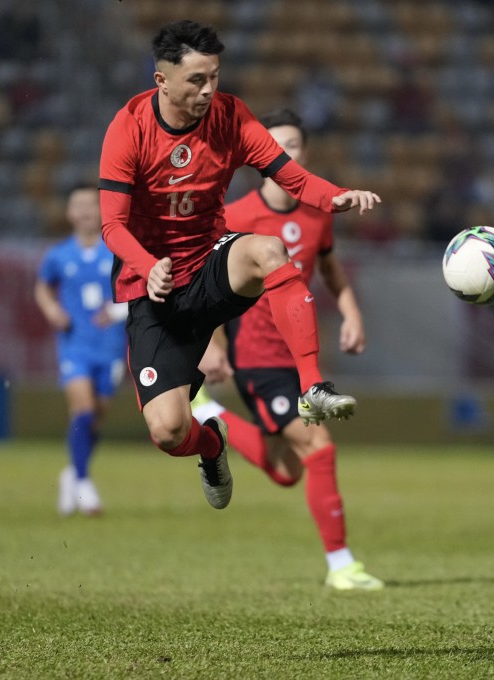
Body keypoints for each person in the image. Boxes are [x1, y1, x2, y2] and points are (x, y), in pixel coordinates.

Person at [97, 20, 380, 511]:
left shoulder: (230, 116)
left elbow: (290, 175)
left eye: (215, 77)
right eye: (197, 80)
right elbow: (112, 226)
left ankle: (312, 386)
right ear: (161, 80)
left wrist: (336, 198)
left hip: (209, 261)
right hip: (154, 291)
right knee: (168, 431)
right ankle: (212, 445)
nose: (210, 89)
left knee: (269, 251)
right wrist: (147, 265)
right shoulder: (129, 128)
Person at [190, 108, 383, 590]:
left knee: (286, 471)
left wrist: (353, 311)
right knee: (319, 446)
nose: (284, 153)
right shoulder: (234, 218)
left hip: (300, 358)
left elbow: (330, 267)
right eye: (275, 146)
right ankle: (342, 565)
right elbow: (206, 286)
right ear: (260, 157)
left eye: (293, 145)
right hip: (257, 356)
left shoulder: (319, 211)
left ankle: (209, 414)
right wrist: (213, 343)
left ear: (304, 153)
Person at [34, 185, 127, 517]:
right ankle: (85, 484)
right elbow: (43, 287)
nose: (86, 211)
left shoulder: (117, 250)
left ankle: (71, 474)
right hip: (75, 346)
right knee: (83, 411)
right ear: (69, 213)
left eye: (92, 204)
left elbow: (139, 291)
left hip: (112, 347)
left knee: (95, 420)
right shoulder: (59, 255)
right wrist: (51, 311)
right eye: (79, 205)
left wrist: (118, 312)